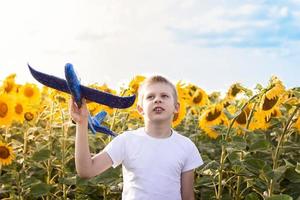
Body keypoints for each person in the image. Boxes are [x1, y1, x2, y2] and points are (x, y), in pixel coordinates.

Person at [69, 75, 203, 200]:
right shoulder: (126, 140)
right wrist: (82, 123)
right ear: (140, 109)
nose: (157, 99)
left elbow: (187, 196)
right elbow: (86, 170)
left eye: (164, 96)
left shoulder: (186, 146)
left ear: (176, 107)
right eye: (150, 97)